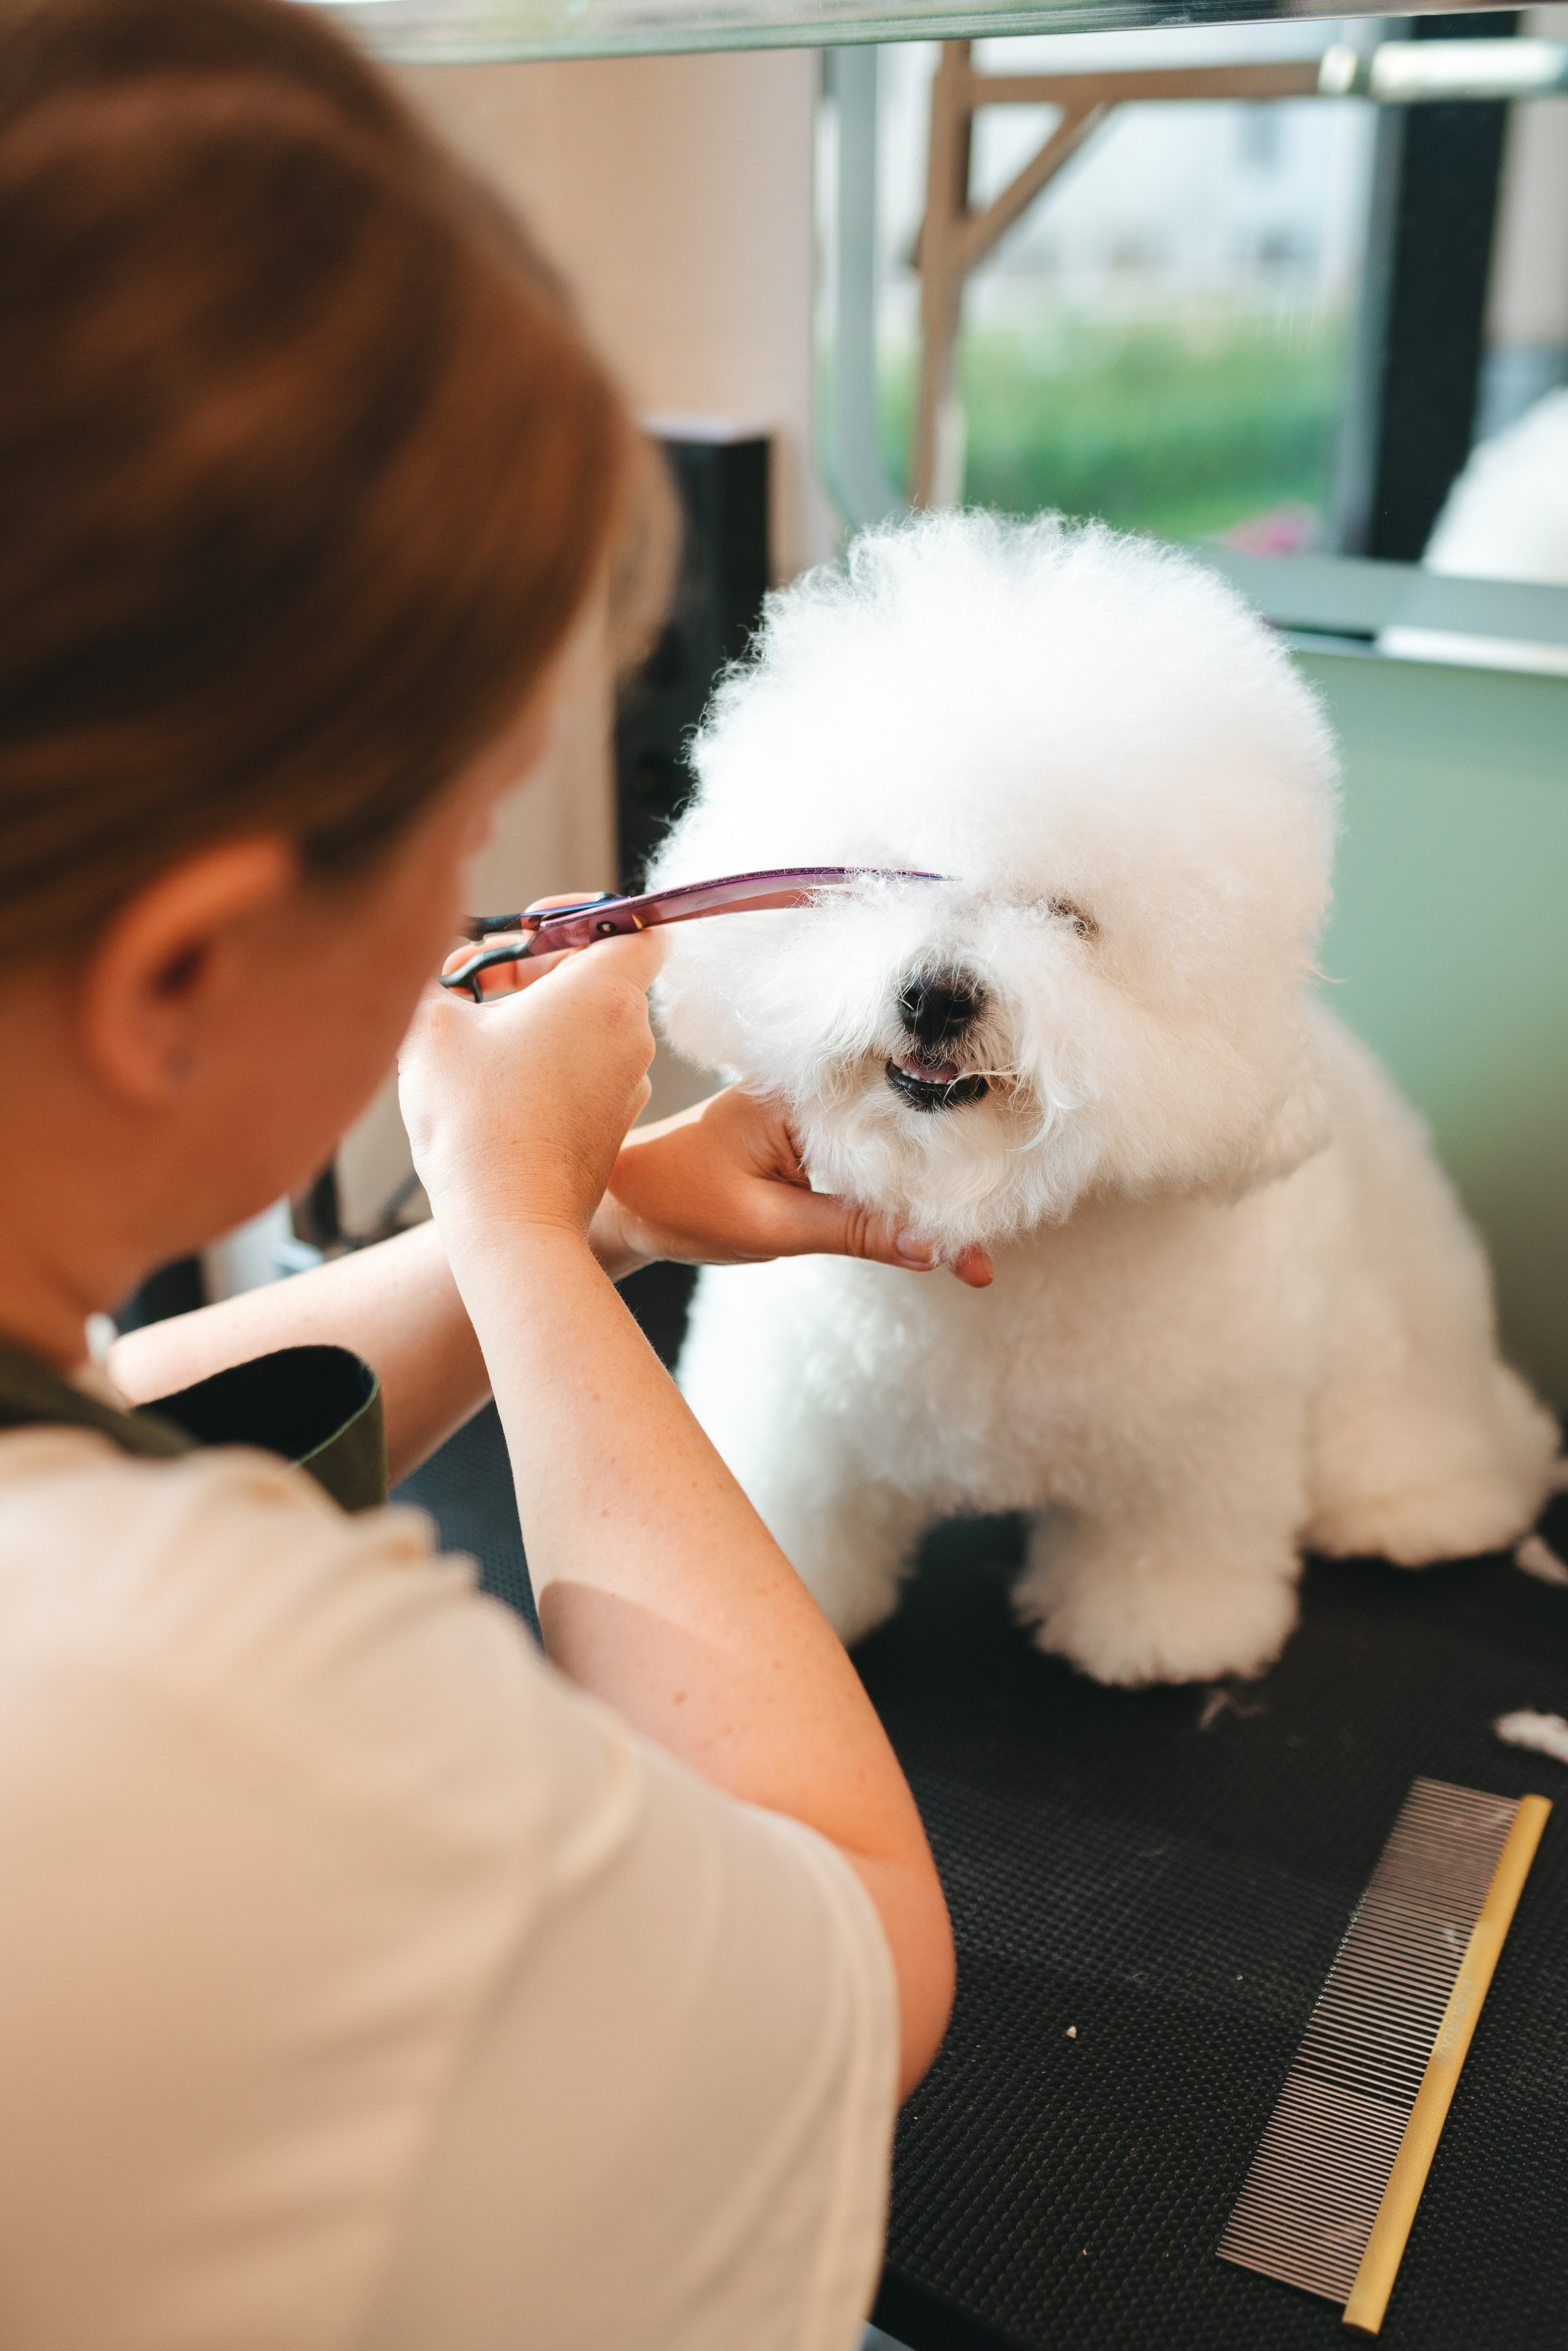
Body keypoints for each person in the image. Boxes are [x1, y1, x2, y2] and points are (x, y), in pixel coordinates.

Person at [0, 2, 974, 2342]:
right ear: (184, 968)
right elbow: (851, 1956)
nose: (481, 914)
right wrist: (524, 1234)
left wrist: (590, 1214)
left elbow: (89, 1434)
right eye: (458, 843)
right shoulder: (213, 1729)